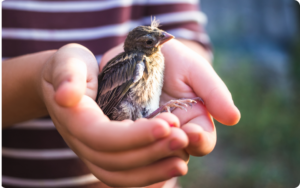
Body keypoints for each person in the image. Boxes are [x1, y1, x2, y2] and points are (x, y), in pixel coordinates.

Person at [1, 1, 240, 188]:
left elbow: (187, 34)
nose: (163, 40)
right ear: (139, 46)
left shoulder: (155, 58)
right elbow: (113, 106)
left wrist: (189, 68)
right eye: (151, 41)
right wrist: (37, 81)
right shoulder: (134, 64)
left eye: (160, 37)